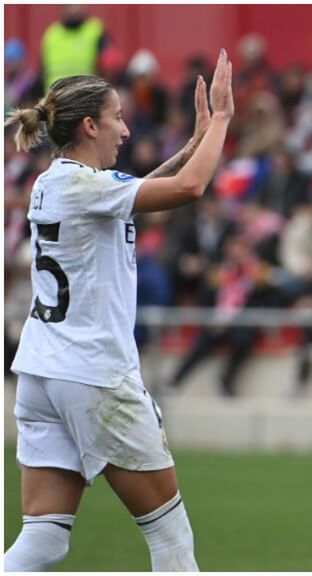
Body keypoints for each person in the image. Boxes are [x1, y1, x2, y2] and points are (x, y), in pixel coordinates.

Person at [3, 49, 234, 572]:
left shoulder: (52, 183)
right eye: (118, 118)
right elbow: (189, 188)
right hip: (93, 374)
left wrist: (194, 143)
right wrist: (220, 120)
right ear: (89, 125)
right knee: (171, 541)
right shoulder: (83, 188)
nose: (125, 131)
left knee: (43, 542)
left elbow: (133, 191)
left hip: (42, 373)